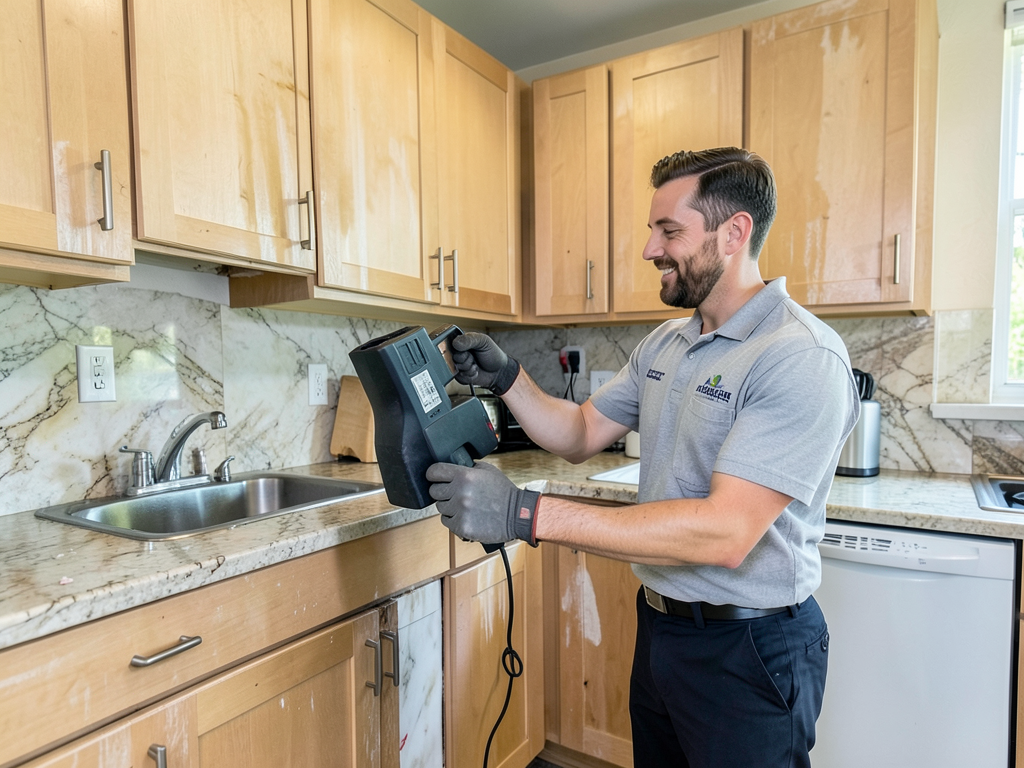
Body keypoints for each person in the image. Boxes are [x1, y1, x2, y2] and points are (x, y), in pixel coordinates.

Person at [426, 147, 860, 767]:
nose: (650, 249)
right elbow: (579, 431)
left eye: (670, 231)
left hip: (751, 647)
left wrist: (524, 513)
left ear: (733, 233)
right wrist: (510, 380)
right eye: (652, 230)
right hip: (662, 629)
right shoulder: (667, 342)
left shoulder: (800, 355)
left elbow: (725, 533)